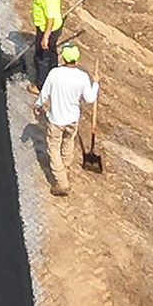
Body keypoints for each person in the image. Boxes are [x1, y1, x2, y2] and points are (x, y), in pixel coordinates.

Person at [33, 41, 98, 196]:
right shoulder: (82, 77)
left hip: (56, 120)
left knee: (53, 148)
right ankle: (65, 166)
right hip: (72, 120)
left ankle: (62, 182)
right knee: (68, 141)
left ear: (63, 58)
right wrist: (95, 83)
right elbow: (89, 98)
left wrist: (38, 105)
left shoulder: (55, 73)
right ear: (77, 59)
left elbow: (45, 93)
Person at [30, 0, 64, 85]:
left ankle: (41, 85)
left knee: (41, 56)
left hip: (47, 28)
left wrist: (45, 37)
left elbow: (50, 18)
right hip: (54, 26)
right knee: (51, 51)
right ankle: (53, 73)